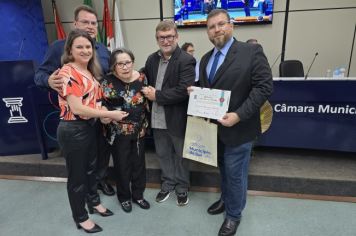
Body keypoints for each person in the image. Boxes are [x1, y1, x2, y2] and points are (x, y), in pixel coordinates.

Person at [196, 9, 273, 236]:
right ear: (208, 32)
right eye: (211, 26)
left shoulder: (251, 51)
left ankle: (233, 215)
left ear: (232, 25)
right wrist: (197, 92)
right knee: (224, 170)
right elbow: (209, 92)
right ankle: (225, 199)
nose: (217, 29)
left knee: (236, 173)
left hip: (240, 129)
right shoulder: (205, 59)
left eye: (221, 24)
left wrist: (238, 115)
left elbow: (264, 87)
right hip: (215, 130)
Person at [34, 5, 115, 196]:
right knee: (82, 158)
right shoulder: (58, 48)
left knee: (102, 151)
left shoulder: (103, 50)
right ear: (75, 24)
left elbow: (110, 77)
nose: (89, 26)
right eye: (84, 22)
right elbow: (39, 74)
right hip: (76, 117)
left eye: (93, 23)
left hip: (100, 112)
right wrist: (48, 80)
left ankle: (100, 180)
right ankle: (87, 190)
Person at [57, 29, 128, 233]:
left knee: (91, 170)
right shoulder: (67, 72)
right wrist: (112, 115)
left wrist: (104, 112)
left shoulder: (88, 70)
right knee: (77, 177)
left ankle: (94, 203)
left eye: (88, 46)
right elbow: (77, 108)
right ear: (70, 49)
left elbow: (94, 101)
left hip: (90, 126)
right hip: (73, 129)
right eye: (79, 46)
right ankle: (80, 217)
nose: (85, 50)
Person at [142, 20, 195, 206]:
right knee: (163, 154)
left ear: (176, 37)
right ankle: (167, 184)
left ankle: (182, 187)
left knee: (181, 156)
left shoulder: (186, 60)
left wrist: (156, 95)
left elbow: (183, 90)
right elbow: (143, 77)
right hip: (156, 117)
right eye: (162, 38)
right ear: (157, 39)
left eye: (169, 36)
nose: (166, 41)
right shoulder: (151, 59)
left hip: (177, 118)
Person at [101, 48, 150, 213]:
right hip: (117, 133)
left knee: (139, 165)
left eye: (128, 62)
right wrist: (104, 114)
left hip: (139, 131)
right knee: (122, 165)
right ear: (113, 66)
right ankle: (124, 197)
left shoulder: (142, 78)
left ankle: (138, 195)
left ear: (133, 62)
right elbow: (101, 104)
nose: (125, 67)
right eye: (120, 64)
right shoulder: (106, 81)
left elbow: (147, 101)